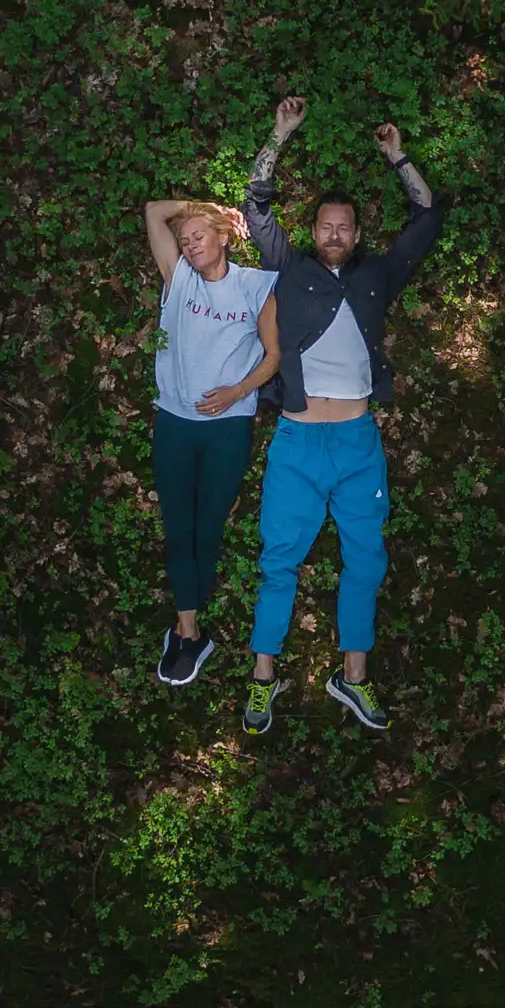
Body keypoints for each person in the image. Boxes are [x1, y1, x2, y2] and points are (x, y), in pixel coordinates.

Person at [238, 94, 450, 734]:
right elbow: (255, 208)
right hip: (298, 443)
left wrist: (399, 157)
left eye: (343, 227)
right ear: (315, 232)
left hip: (358, 442)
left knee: (366, 558)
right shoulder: (289, 266)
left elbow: (430, 215)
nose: (333, 234)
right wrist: (279, 135)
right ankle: (261, 680)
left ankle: (353, 678)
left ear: (357, 234)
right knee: (279, 560)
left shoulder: (379, 275)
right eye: (325, 225)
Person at [140, 195, 280, 686]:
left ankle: (192, 630)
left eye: (199, 234)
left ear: (224, 237)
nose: (190, 244)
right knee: (178, 527)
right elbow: (154, 211)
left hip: (227, 428)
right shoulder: (178, 281)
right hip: (175, 423)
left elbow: (273, 355)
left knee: (207, 529)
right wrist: (200, 205)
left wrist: (238, 391)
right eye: (185, 240)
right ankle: (188, 631)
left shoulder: (253, 286)